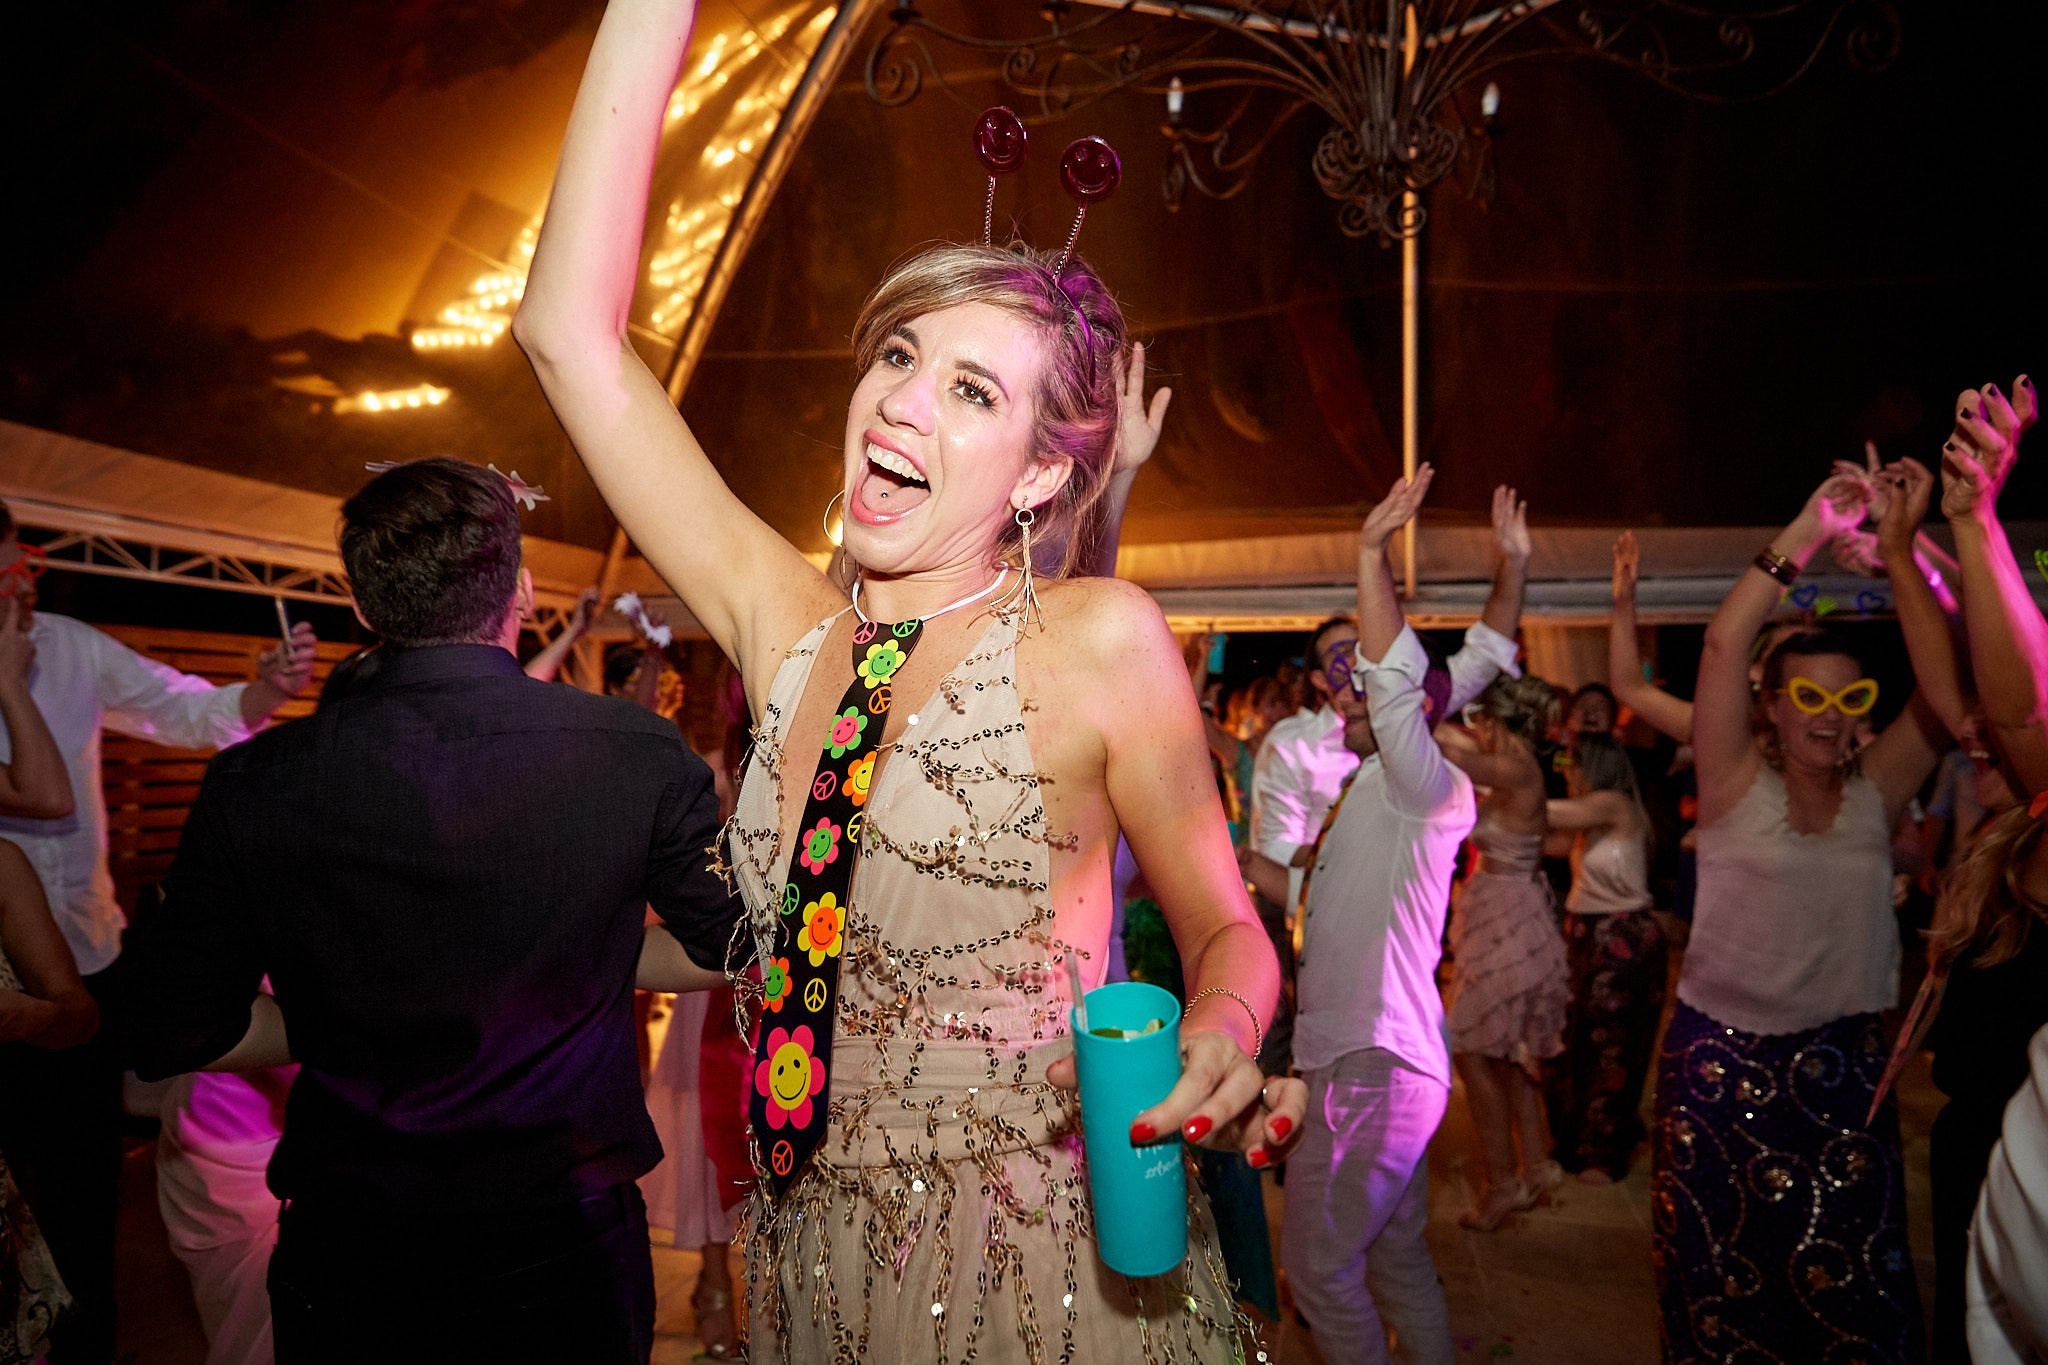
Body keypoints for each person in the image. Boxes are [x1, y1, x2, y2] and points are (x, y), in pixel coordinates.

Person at [512, 4, 1307, 1357]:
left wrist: (1225, 1025)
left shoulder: (1100, 639)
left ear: (1045, 474)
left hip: (1043, 1265)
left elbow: (1227, 924)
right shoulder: (789, 628)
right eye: (898, 357)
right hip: (814, 1265)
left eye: (972, 393)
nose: (901, 404)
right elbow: (566, 336)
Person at [116, 458, 744, 1365]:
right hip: (561, 1239)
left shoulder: (258, 780)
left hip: (356, 1243)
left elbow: (179, 1026)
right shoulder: (635, 752)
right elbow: (725, 945)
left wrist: (338, 1019)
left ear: (365, 609)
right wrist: (584, 958)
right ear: (520, 591)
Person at [0, 498, 316, 1365]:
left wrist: (263, 691)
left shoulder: (67, 644)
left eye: (20, 562)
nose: (20, 583)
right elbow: (37, 793)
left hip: (84, 957)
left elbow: (181, 710)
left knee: (78, 1196)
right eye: (4, 571)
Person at [1650, 469, 1946, 1362]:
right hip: (1717, 1067)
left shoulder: (1879, 790)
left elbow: (1944, 686)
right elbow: (1720, 641)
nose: (1829, 717)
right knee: (1719, 1291)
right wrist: (1811, 526)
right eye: (1806, 696)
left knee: (1854, 1294)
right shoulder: (1735, 780)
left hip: (1844, 1075)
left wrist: (1903, 552)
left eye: (1850, 699)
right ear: (1770, 708)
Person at [1247, 464, 1502, 1364]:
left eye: (1362, 675)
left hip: (1373, 1065)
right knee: (1392, 1259)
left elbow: (1402, 688)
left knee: (1317, 1270)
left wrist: (1368, 551)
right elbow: (1307, 900)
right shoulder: (1364, 797)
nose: (1349, 687)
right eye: (1338, 674)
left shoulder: (1424, 784)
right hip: (1368, 1062)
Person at [1250, 486, 1530, 1072]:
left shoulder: (1406, 721)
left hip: (1389, 951)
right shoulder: (1293, 744)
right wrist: (1343, 857)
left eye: (1360, 653)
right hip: (1306, 918)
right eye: (1336, 662)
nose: (1352, 669)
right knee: (1289, 1059)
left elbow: (1485, 650)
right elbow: (1273, 849)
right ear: (1322, 682)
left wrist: (1515, 564)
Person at [1435, 670, 1570, 1230]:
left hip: (1508, 916)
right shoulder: (1520, 766)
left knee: (1471, 1046)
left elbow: (1451, 748)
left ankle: (1501, 1185)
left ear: (1494, 720)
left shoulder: (1514, 769)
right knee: (1501, 1050)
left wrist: (1413, 706)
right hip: (1503, 909)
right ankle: (1535, 1167)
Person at [1541, 731, 1665, 1183]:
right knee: (1572, 1043)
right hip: (1586, 935)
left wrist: (1501, 783)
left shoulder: (1614, 804)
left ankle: (1602, 1152)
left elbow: (1543, 812)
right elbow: (1544, 838)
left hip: (1622, 940)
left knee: (1610, 1048)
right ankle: (1575, 1141)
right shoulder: (1590, 822)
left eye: (1570, 764)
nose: (1566, 773)